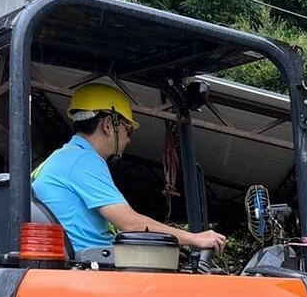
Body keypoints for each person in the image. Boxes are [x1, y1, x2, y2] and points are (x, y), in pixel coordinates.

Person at [32, 83, 226, 254]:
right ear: (108, 125)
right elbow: (130, 224)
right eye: (128, 129)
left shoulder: (57, 160)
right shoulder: (83, 160)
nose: (128, 139)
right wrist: (195, 238)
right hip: (90, 271)